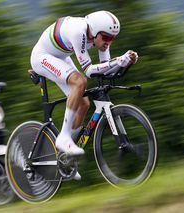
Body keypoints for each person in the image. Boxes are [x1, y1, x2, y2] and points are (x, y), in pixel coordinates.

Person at [30, 11, 139, 179]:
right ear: (95, 31)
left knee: (84, 104)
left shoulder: (100, 36)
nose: (108, 42)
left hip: (60, 56)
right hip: (42, 57)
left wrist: (123, 62)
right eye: (106, 38)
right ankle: (63, 138)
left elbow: (105, 68)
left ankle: (65, 157)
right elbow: (89, 71)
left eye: (112, 39)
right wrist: (117, 61)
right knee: (80, 82)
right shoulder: (78, 32)